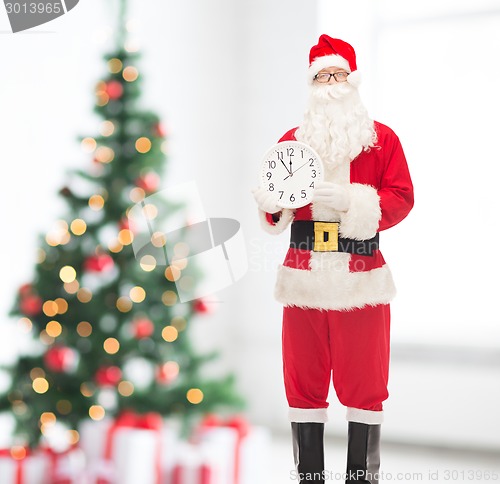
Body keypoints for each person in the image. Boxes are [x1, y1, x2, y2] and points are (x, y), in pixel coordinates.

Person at [253, 35, 414, 483]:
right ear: (311, 85)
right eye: (321, 76)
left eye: (337, 75)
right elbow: (276, 208)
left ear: (353, 81)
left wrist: (350, 200)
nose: (330, 84)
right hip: (303, 275)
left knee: (364, 384)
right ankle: (309, 476)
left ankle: (362, 477)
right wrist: (270, 201)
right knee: (302, 383)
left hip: (361, 276)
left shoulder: (382, 140)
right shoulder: (291, 142)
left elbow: (401, 197)